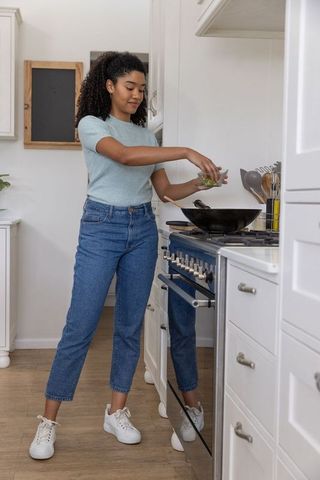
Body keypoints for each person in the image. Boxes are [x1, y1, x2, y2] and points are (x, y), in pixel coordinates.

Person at [29, 51, 223, 460]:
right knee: (80, 325)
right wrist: (186, 149)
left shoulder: (148, 136)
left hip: (142, 230)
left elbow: (166, 192)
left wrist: (203, 183)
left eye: (141, 89)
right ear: (110, 86)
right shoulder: (92, 125)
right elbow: (122, 156)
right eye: (130, 87)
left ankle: (115, 411)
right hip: (101, 226)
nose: (136, 95)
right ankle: (48, 422)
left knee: (130, 326)